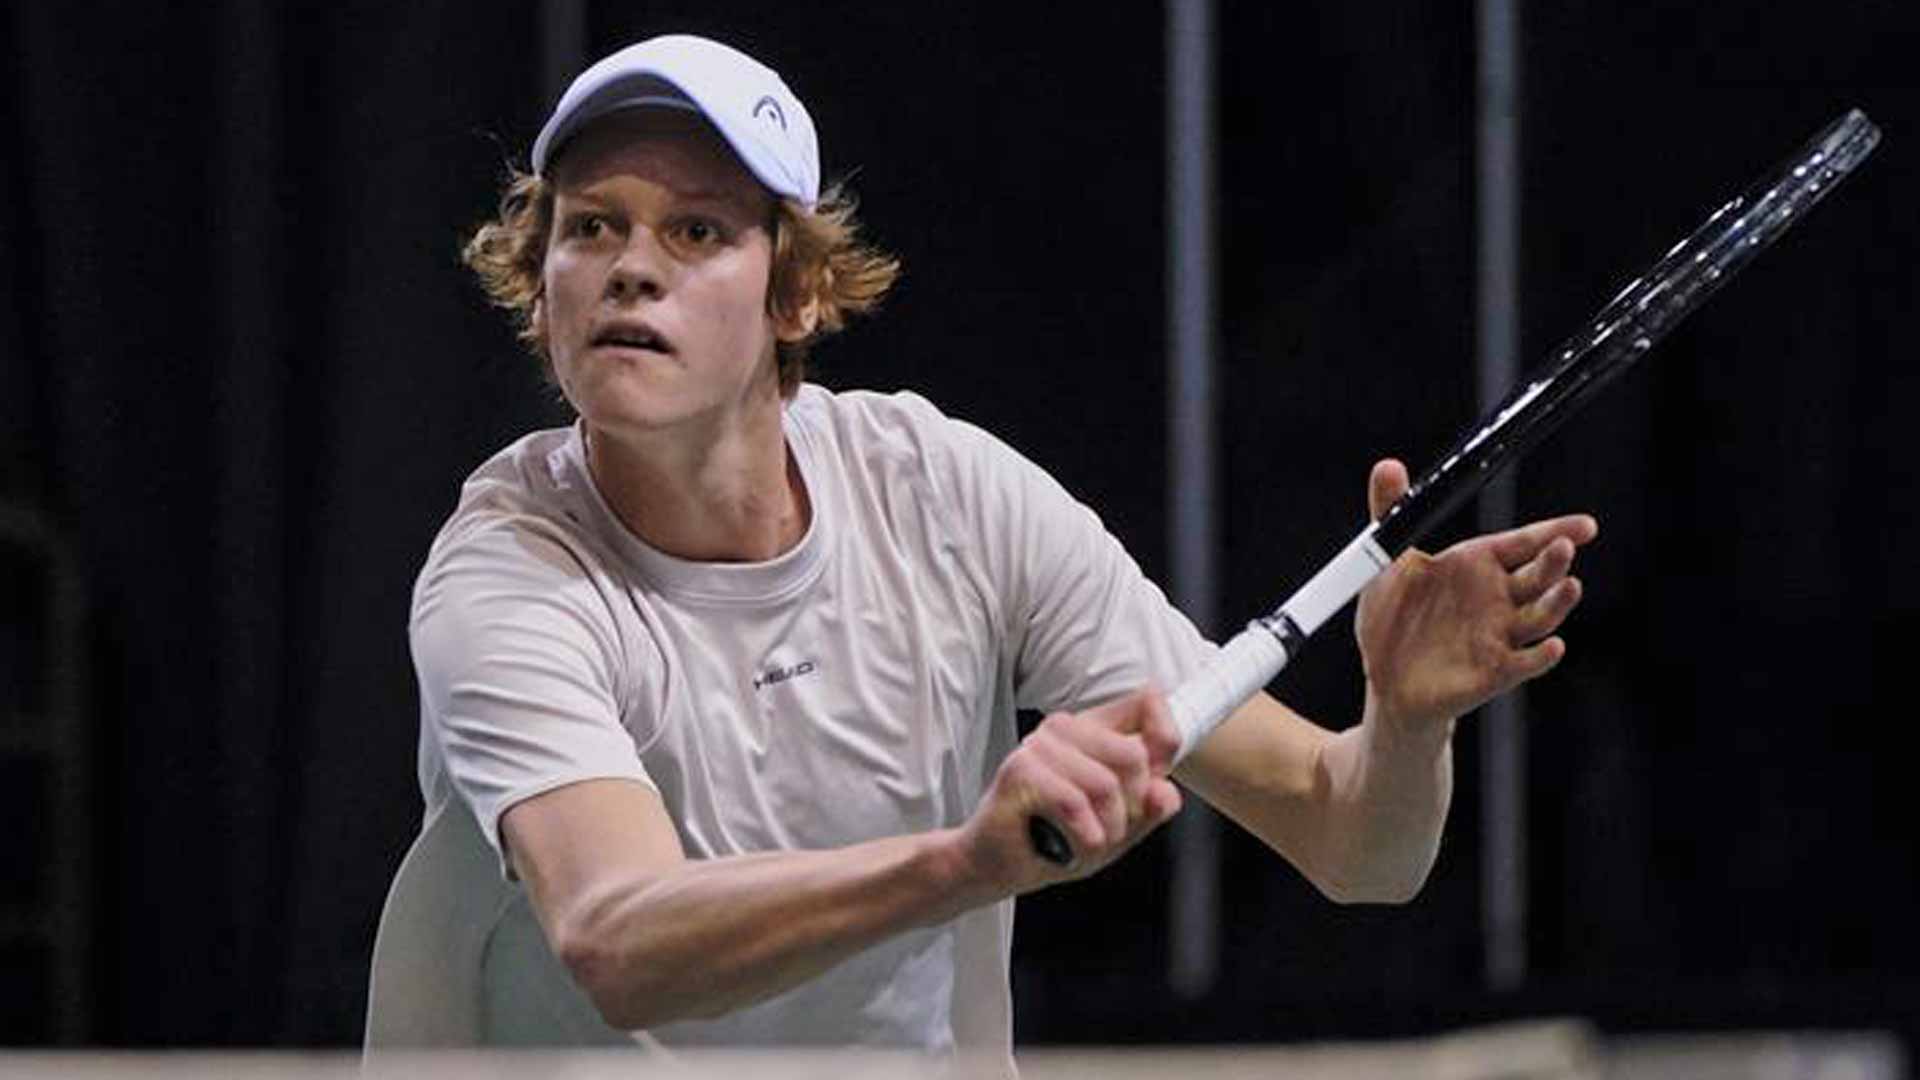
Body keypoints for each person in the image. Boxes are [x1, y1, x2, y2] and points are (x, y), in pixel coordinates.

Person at [382, 31, 1597, 1065]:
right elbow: (618, 937)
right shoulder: (509, 570)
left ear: (794, 295)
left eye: (697, 232)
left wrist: (1405, 725)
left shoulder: (947, 496)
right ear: (540, 286)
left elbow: (1352, 843)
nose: (632, 267)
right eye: (592, 228)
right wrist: (967, 862)